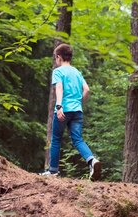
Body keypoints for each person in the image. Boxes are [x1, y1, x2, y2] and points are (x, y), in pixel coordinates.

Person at [40, 43, 102, 181]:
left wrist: (59, 106)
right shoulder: (77, 72)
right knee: (78, 139)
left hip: (64, 110)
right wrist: (79, 103)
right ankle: (92, 161)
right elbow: (87, 89)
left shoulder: (58, 71)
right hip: (77, 111)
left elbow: (59, 88)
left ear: (58, 57)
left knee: (56, 139)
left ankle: (53, 171)